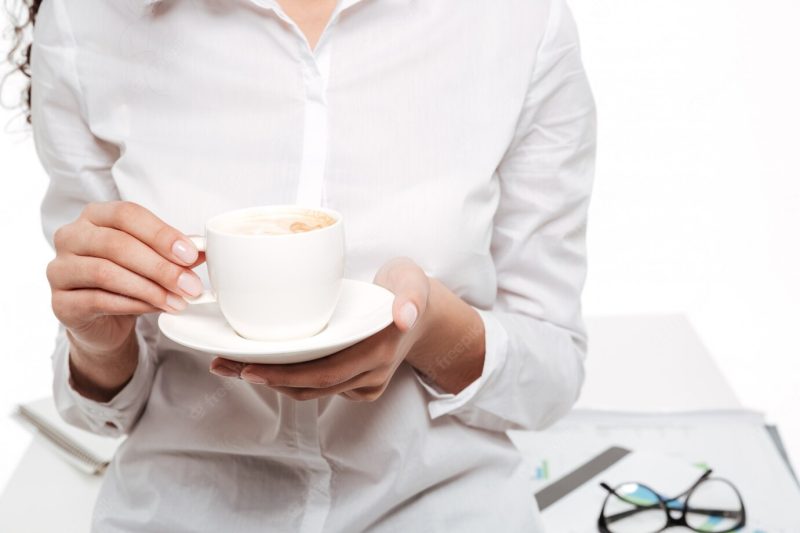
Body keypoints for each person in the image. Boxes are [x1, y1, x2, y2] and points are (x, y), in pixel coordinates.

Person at [9, 0, 595, 530]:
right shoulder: (89, 20)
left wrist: (433, 329)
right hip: (182, 510)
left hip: (443, 507)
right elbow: (98, 411)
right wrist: (98, 343)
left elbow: (551, 374)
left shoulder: (517, 20)